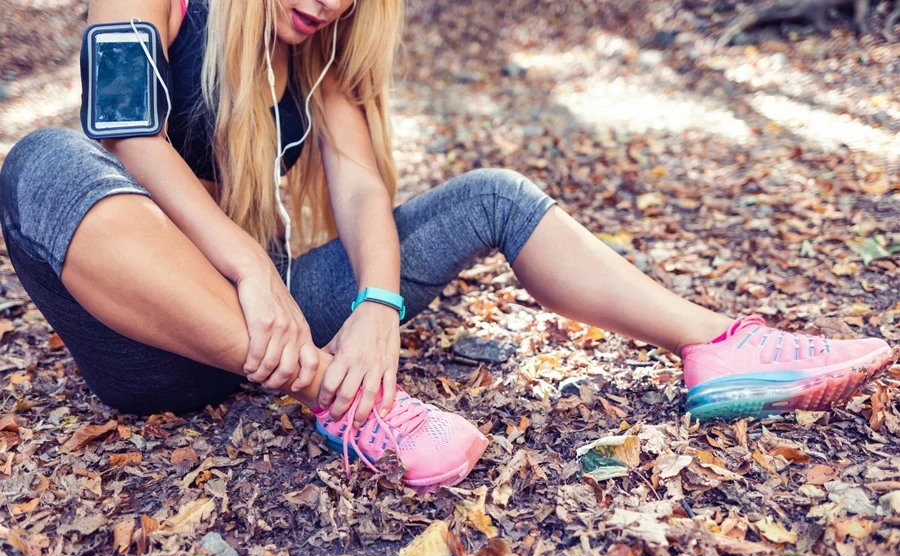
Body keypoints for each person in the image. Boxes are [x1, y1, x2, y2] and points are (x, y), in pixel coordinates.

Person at [0, 0, 893, 491]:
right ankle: (343, 402)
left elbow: (357, 188)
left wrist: (377, 309)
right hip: (158, 343)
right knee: (42, 159)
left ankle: (718, 346)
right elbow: (121, 126)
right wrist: (244, 267)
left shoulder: (311, 53)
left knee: (493, 195)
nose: (327, 2)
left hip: (273, 319)